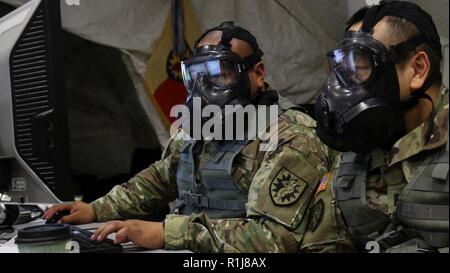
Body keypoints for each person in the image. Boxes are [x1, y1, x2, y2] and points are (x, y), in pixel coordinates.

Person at [44, 22, 337, 252]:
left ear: (257, 73)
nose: (204, 87)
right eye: (195, 76)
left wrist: (166, 233)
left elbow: (272, 240)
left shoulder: (291, 136)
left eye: (220, 74)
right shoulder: (199, 127)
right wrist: (96, 209)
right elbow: (159, 179)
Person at [301, 1, 448, 253]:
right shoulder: (354, 152)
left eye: (358, 69)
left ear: (418, 69)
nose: (340, 87)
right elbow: (322, 243)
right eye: (340, 70)